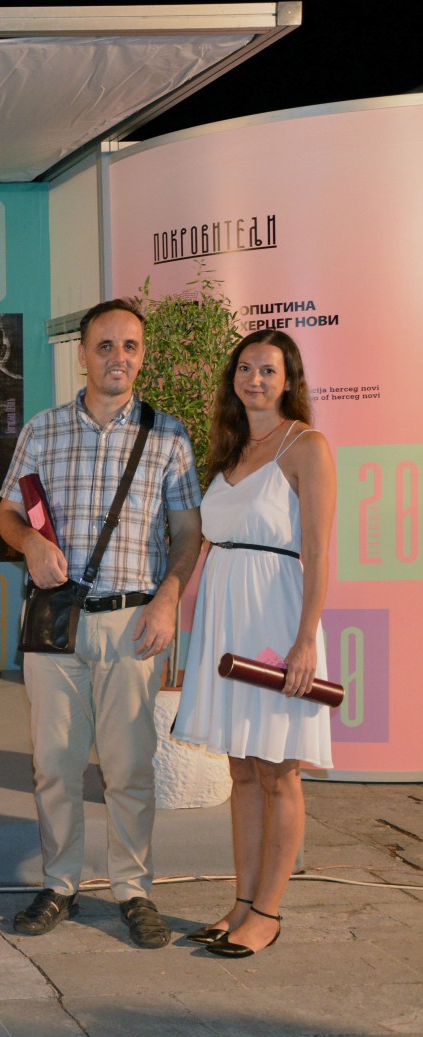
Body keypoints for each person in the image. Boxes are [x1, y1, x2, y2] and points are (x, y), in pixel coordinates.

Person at [0, 298, 203, 949]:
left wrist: (169, 598)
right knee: (54, 765)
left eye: (130, 346)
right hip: (55, 626)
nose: (118, 357)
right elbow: (7, 514)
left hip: (134, 623)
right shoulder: (43, 430)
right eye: (105, 345)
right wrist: (30, 544)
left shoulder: (168, 436)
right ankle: (60, 883)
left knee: (129, 768)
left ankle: (133, 890)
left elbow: (188, 534)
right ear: (82, 354)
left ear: (142, 356)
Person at [171, 329, 335, 958]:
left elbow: (318, 550)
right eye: (245, 368)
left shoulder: (306, 445)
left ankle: (268, 911)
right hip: (226, 621)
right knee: (242, 768)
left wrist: (305, 641)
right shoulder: (231, 448)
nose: (255, 379)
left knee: (278, 770)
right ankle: (241, 902)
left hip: (276, 621)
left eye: (267, 369)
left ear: (288, 379)